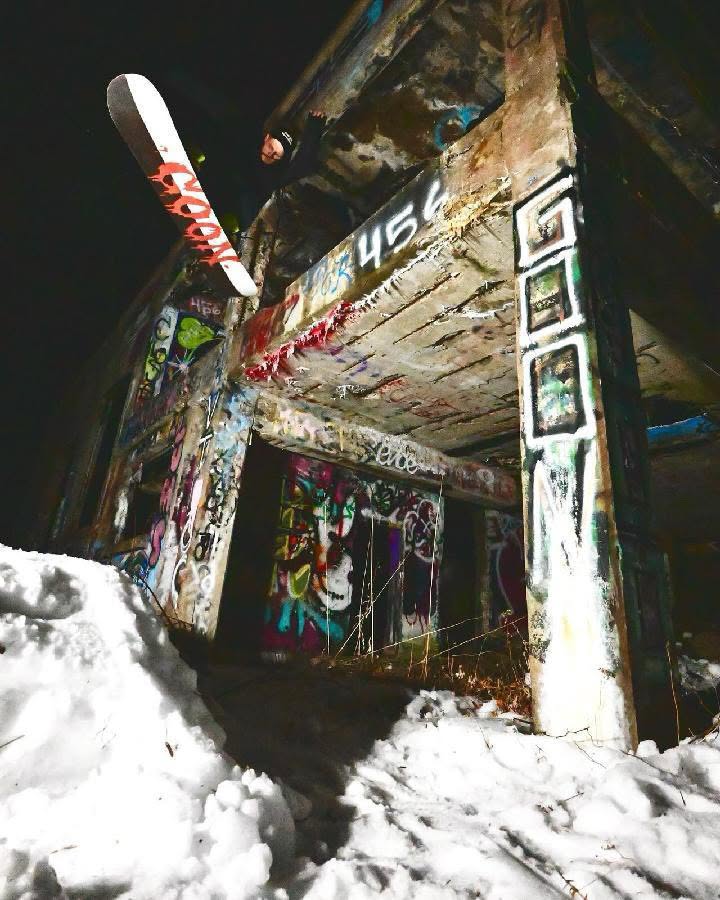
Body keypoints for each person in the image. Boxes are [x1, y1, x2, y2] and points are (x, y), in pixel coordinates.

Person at [198, 110, 327, 234]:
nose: (270, 154)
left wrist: (314, 126)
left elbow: (303, 164)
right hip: (210, 190)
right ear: (267, 138)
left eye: (277, 154)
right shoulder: (249, 143)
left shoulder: (276, 175)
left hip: (233, 216)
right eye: (271, 147)